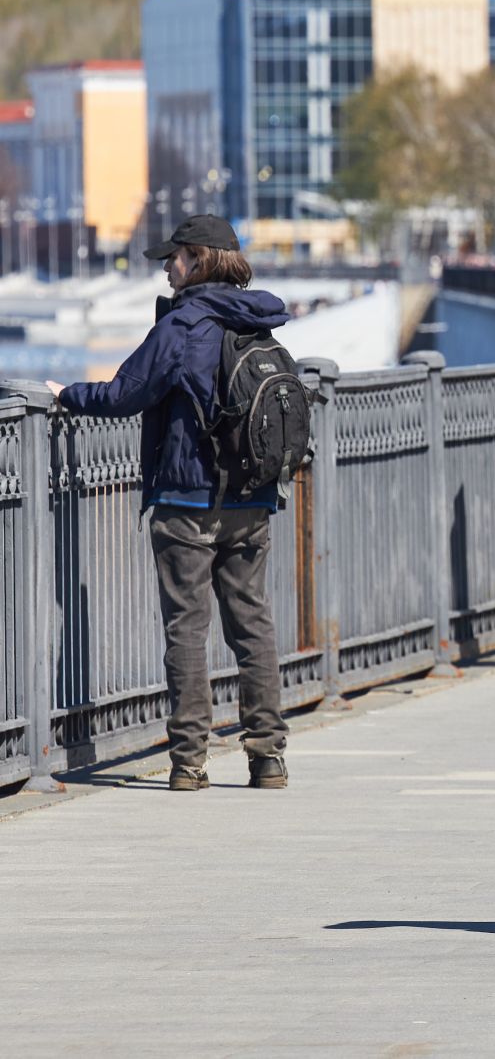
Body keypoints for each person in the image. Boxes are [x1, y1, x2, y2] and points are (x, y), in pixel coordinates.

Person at [49, 215, 292, 792]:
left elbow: (124, 393)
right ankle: (268, 758)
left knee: (187, 628)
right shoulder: (258, 319)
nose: (166, 267)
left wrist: (67, 396)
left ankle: (189, 763)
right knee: (252, 625)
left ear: (199, 261)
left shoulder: (185, 323)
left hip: (187, 497)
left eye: (174, 258)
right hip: (252, 498)